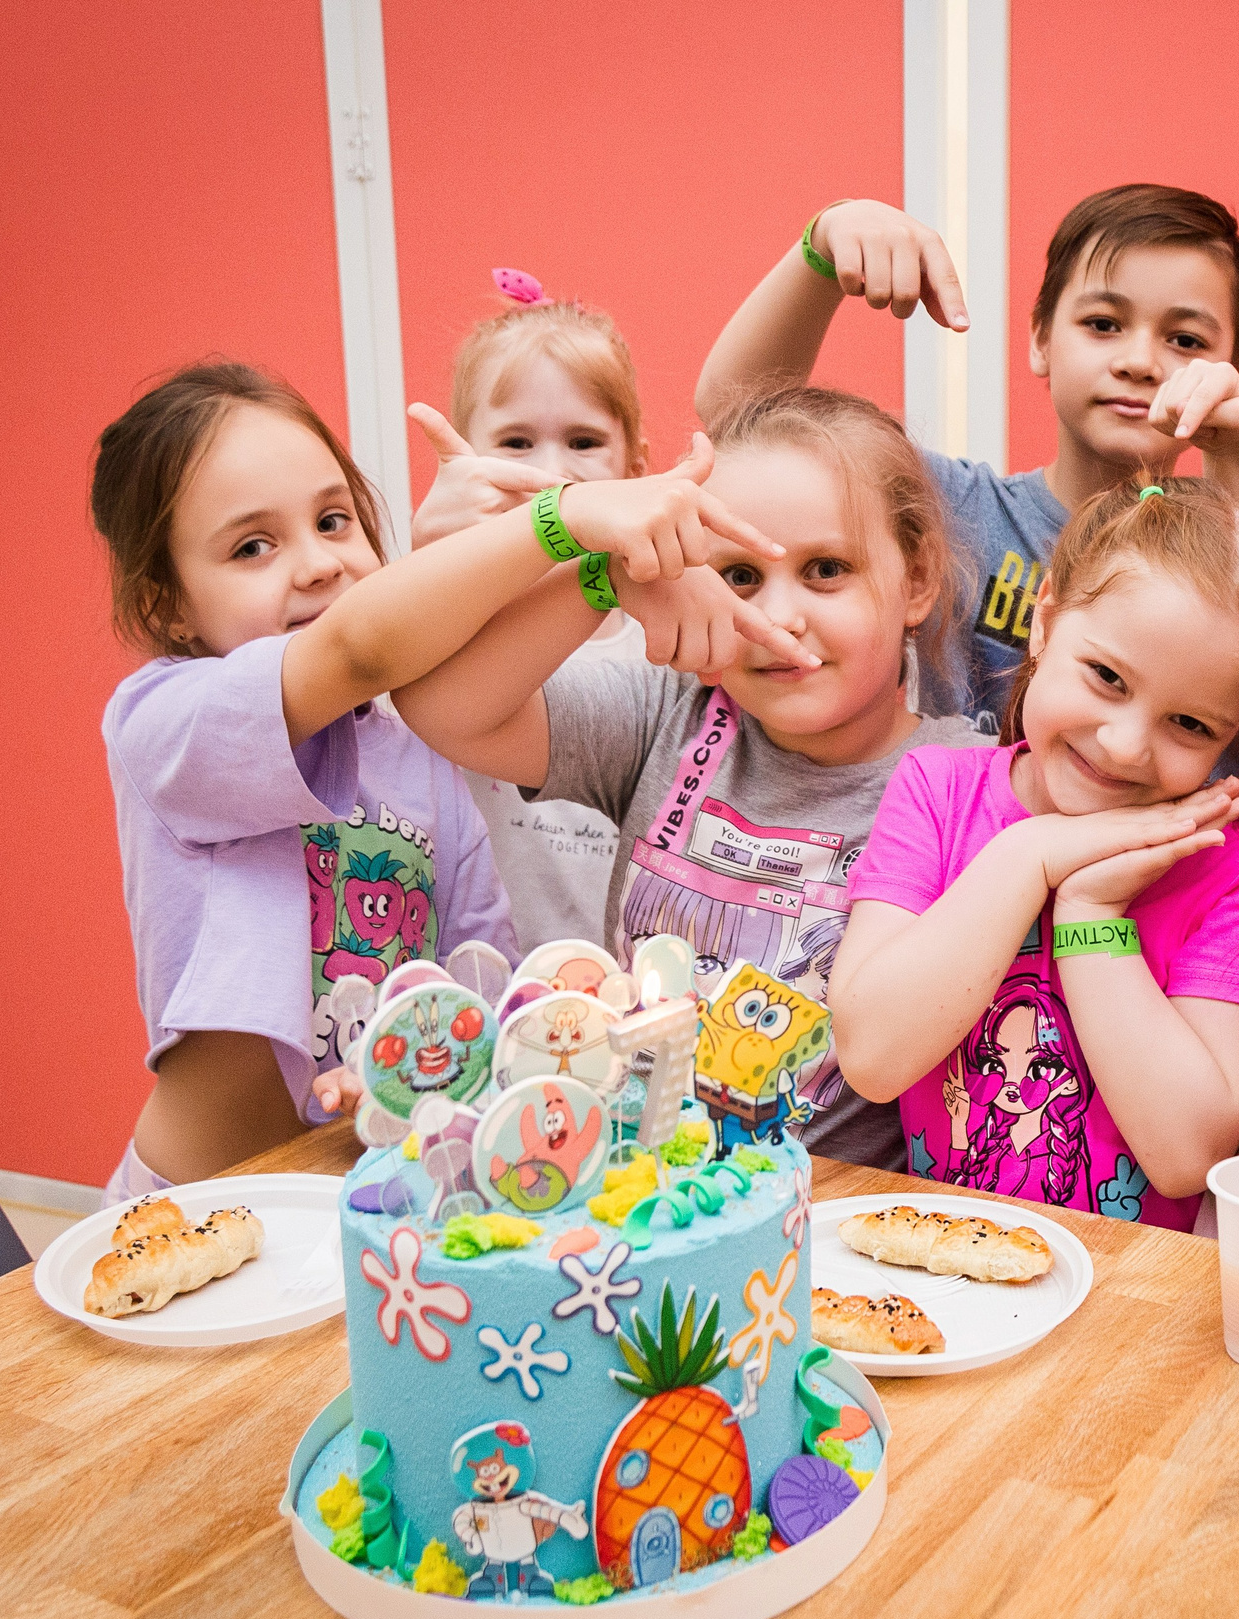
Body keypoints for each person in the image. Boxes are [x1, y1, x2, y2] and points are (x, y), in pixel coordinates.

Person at [95, 362, 794, 1196]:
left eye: (334, 519)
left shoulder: (420, 751)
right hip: (197, 1197)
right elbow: (359, 648)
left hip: (366, 1190)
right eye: (253, 546)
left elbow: (478, 981)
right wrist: (568, 518)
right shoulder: (165, 721)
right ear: (166, 605)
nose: (318, 564)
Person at [389, 387, 987, 1169]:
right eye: (738, 575)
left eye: (826, 570)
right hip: (629, 1200)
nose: (780, 616)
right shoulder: (667, 711)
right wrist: (602, 574)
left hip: (829, 1235)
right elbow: (442, 705)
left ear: (917, 581)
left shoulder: (967, 786)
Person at [832, 477, 1239, 1226]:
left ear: (1236, 736)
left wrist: (1091, 912)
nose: (1125, 743)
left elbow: (1188, 1154)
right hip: (939, 1267)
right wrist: (1030, 854)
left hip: (1128, 1308)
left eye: (1189, 724)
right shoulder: (939, 790)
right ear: (1046, 619)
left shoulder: (1237, 872)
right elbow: (872, 1054)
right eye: (1107, 677)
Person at [695, 184, 1239, 730]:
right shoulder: (954, 508)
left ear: (1234, 370)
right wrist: (820, 251)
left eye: (1186, 341)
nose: (1139, 361)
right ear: (1041, 339)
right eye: (1103, 324)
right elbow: (736, 415)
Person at [405, 272, 661, 951]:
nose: (553, 473)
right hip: (474, 1005)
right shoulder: (450, 620)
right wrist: (430, 556)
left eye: (583, 442)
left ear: (637, 469)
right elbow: (385, 655)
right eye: (516, 443)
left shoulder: (659, 641)